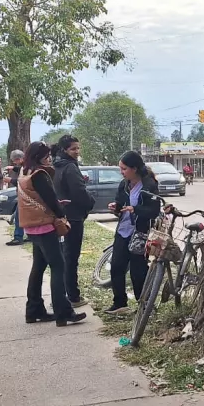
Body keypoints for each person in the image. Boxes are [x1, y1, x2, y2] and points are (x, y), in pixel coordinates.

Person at [18, 142, 87, 326]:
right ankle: (63, 312)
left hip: (32, 227)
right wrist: (61, 212)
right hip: (44, 227)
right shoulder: (39, 174)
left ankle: (34, 310)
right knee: (58, 267)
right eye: (46, 155)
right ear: (38, 156)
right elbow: (50, 199)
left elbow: (39, 198)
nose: (49, 158)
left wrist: (55, 204)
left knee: (38, 267)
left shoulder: (25, 172)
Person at [106, 151, 160, 315]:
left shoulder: (149, 185)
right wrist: (116, 207)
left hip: (140, 233)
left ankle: (144, 304)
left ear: (134, 168)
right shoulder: (124, 184)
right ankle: (119, 303)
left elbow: (154, 211)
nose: (121, 172)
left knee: (138, 271)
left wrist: (135, 209)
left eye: (124, 169)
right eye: (120, 169)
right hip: (123, 231)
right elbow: (120, 203)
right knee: (116, 267)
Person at [52, 135, 95, 307]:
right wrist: (90, 203)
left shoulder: (56, 165)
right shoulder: (69, 166)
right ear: (64, 150)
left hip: (60, 216)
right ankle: (73, 297)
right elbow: (79, 192)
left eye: (78, 148)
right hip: (73, 218)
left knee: (63, 258)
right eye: (73, 149)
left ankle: (61, 297)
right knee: (71, 258)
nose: (77, 152)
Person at [5, 149, 26, 246]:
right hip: (23, 195)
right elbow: (20, 168)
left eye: (15, 161)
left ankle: (18, 237)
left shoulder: (26, 167)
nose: (15, 163)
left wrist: (11, 180)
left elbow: (23, 181)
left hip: (24, 195)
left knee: (18, 216)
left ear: (19, 159)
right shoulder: (26, 165)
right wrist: (13, 168)